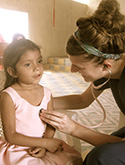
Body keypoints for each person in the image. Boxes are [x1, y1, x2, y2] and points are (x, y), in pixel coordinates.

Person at [40, 0, 125, 164]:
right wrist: (40, 101)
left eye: (78, 67)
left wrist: (73, 128)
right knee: (105, 144)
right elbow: (82, 100)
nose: (72, 70)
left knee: (101, 157)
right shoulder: (108, 70)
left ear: (106, 65)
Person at [0, 38, 83, 164]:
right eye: (28, 64)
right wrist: (45, 143)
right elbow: (11, 136)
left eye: (39, 61)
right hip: (17, 149)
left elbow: (51, 123)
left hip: (44, 144)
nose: (37, 68)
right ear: (12, 72)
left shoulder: (46, 92)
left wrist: (45, 144)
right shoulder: (8, 96)